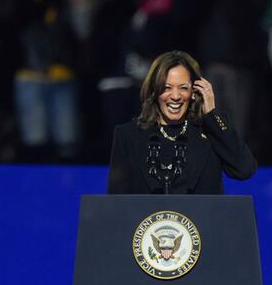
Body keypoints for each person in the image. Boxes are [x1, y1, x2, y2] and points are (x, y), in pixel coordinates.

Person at [107, 50, 256, 194]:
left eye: (183, 88)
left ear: (194, 91)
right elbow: (117, 204)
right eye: (167, 88)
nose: (176, 96)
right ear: (154, 91)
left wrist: (211, 115)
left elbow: (244, 169)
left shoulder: (210, 133)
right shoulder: (127, 136)